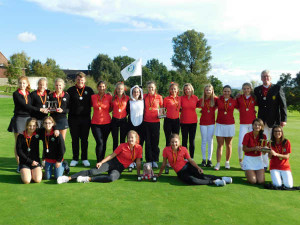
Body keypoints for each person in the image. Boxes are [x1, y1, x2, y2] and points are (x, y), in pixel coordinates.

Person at [57, 130, 142, 184]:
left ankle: (88, 179)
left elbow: (138, 161)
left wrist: (138, 173)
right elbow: (112, 155)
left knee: (111, 178)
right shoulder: (123, 145)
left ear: (136, 138)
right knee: (93, 171)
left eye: (132, 138)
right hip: (111, 163)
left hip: (119, 169)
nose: (130, 139)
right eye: (129, 137)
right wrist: (101, 162)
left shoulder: (139, 148)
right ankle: (68, 178)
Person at [157, 134, 232, 186]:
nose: (174, 144)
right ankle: (214, 182)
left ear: (179, 142)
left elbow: (190, 160)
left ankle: (222, 178)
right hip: (180, 172)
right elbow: (164, 164)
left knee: (202, 176)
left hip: (187, 166)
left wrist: (198, 168)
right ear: (170, 142)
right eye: (172, 142)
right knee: (192, 180)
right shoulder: (166, 150)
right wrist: (159, 174)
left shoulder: (183, 149)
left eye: (176, 142)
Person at [254, 70, 287, 169]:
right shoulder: (257, 89)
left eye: (267, 76)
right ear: (261, 78)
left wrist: (284, 119)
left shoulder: (277, 88)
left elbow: (283, 105)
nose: (265, 78)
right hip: (261, 122)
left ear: (270, 77)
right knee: (263, 142)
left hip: (274, 120)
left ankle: (275, 164)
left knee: (275, 143)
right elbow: (251, 100)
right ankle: (264, 164)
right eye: (263, 76)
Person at [8, 76, 36, 172]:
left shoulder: (29, 94)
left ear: (27, 84)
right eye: (20, 83)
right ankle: (19, 164)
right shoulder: (16, 94)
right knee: (18, 143)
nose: (22, 85)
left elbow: (32, 104)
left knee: (27, 142)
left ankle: (27, 162)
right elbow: (25, 106)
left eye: (24, 83)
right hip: (19, 118)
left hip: (28, 119)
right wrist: (39, 109)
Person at [67, 72, 94, 167]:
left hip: (86, 119)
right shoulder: (70, 90)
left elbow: (95, 101)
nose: (80, 81)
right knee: (74, 139)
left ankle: (84, 158)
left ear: (85, 80)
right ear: (76, 80)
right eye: (78, 79)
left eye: (82, 80)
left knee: (84, 140)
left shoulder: (89, 90)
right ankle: (75, 158)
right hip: (73, 119)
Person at [214, 85, 237, 170]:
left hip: (230, 125)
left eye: (228, 91)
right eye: (225, 91)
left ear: (230, 92)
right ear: (222, 92)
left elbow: (241, 108)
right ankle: (218, 163)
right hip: (220, 124)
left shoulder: (234, 101)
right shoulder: (218, 100)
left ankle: (227, 162)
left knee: (229, 145)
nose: (226, 93)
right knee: (220, 145)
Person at [236, 83, 256, 168]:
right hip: (243, 124)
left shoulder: (254, 98)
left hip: (253, 124)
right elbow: (235, 105)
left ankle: (252, 161)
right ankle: (241, 161)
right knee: (241, 144)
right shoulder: (239, 98)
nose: (246, 90)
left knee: (253, 144)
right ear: (242, 89)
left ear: (250, 89)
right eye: (244, 89)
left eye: (248, 88)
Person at [91, 81, 112, 163]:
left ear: (105, 87)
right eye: (100, 86)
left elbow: (112, 107)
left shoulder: (109, 97)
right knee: (99, 142)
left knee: (104, 142)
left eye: (103, 86)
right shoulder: (93, 97)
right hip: (95, 123)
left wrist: (105, 112)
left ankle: (102, 161)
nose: (101, 88)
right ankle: (99, 161)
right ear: (97, 87)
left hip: (107, 123)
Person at [143, 81, 163, 168]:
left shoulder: (159, 97)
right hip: (146, 122)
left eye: (152, 87)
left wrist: (161, 115)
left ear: (155, 88)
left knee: (155, 142)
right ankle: (148, 160)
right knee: (147, 142)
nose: (150, 89)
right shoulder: (144, 96)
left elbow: (162, 108)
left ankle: (154, 160)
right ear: (147, 88)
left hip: (156, 122)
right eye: (149, 87)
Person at [16, 118, 42, 184]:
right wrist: (30, 161)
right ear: (26, 126)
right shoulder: (21, 136)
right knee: (27, 181)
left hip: (35, 162)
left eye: (34, 126)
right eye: (30, 125)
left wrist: (56, 130)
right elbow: (19, 151)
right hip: (25, 162)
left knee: (37, 180)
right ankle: (26, 171)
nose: (32, 127)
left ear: (36, 126)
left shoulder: (38, 134)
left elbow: (48, 129)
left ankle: (33, 172)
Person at [198, 84, 217, 167]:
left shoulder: (215, 99)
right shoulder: (201, 100)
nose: (208, 91)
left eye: (209, 90)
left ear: (212, 91)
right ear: (204, 91)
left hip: (211, 123)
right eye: (206, 90)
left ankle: (209, 159)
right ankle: (203, 159)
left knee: (210, 141)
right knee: (204, 141)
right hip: (203, 123)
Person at [242, 118, 266, 184]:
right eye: (255, 125)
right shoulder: (247, 135)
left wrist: (265, 150)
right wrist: (254, 148)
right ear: (252, 126)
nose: (257, 126)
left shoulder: (264, 136)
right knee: (253, 181)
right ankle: (247, 172)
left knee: (261, 181)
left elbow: (264, 152)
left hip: (258, 159)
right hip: (249, 159)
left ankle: (252, 172)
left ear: (261, 127)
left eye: (259, 125)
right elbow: (244, 149)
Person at [126, 85, 144, 169]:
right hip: (131, 124)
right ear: (132, 93)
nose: (136, 93)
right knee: (131, 143)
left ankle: (139, 160)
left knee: (140, 143)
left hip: (141, 125)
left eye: (137, 92)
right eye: (134, 92)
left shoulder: (143, 101)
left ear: (140, 93)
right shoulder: (129, 102)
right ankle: (131, 161)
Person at [180, 83, 198, 159]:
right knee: (184, 140)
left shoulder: (195, 98)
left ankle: (191, 157)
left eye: (188, 89)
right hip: (183, 122)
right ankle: (185, 157)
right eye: (185, 89)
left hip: (193, 122)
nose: (187, 90)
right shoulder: (181, 98)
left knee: (192, 140)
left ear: (191, 89)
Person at [111, 82, 129, 151]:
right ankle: (114, 157)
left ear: (123, 89)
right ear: (116, 89)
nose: (120, 90)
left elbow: (128, 109)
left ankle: (122, 156)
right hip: (114, 120)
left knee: (122, 140)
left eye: (121, 89)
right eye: (118, 89)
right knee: (115, 140)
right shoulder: (112, 98)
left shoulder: (127, 98)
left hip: (123, 120)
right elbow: (110, 108)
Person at [163, 82, 181, 146]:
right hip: (168, 121)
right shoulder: (166, 99)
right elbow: (163, 109)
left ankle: (176, 155)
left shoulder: (180, 98)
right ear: (169, 90)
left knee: (176, 139)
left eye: (175, 89)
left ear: (177, 90)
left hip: (176, 121)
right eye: (172, 89)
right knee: (168, 139)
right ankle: (167, 155)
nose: (173, 90)